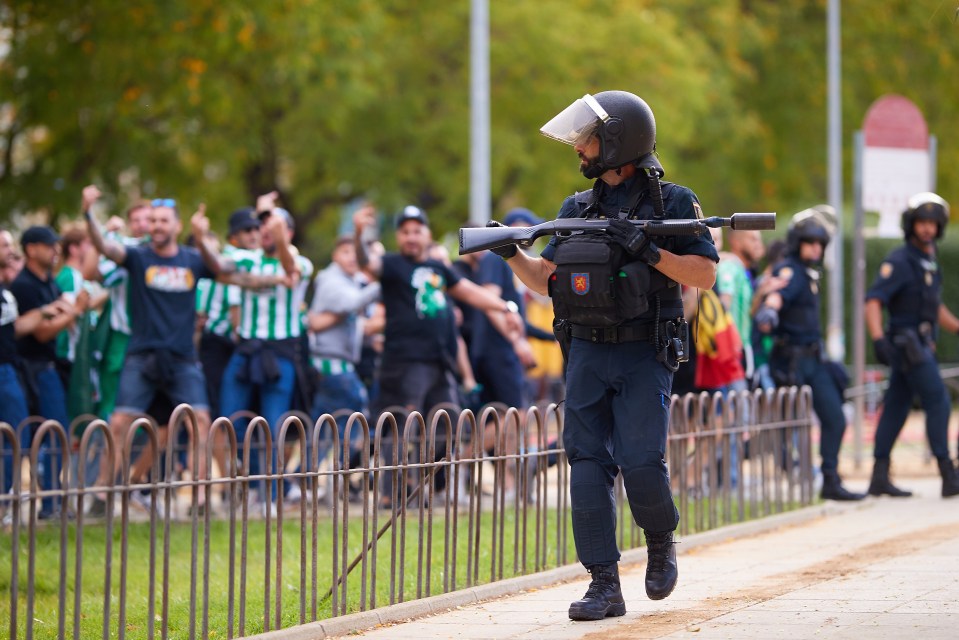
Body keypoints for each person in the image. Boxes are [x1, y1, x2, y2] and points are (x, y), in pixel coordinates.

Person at [491, 90, 718, 619]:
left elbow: (705, 274)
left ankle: (660, 541)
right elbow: (548, 283)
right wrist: (511, 253)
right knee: (587, 467)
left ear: (618, 141)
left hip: (644, 353)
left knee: (641, 464)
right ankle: (603, 585)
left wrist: (649, 250)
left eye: (587, 139)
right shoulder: (578, 207)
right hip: (588, 352)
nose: (579, 149)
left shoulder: (675, 203)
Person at [353, 203, 524, 507]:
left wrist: (505, 308)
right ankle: (390, 494)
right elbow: (367, 264)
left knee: (451, 424)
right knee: (403, 426)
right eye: (405, 232)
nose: (411, 237)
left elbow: (470, 292)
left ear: (427, 234)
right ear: (398, 236)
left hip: (439, 362)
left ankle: (426, 488)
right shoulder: (392, 266)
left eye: (417, 231)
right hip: (404, 363)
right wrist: (358, 233)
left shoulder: (438, 268)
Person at [758, 209, 864, 501]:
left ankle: (829, 478)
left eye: (820, 243)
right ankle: (797, 481)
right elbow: (778, 294)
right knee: (790, 425)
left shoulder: (809, 272)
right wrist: (770, 309)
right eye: (810, 242)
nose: (816, 247)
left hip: (813, 360)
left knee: (835, 418)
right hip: (791, 360)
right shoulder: (789, 269)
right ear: (797, 242)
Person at [865, 192, 959, 498]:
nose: (928, 229)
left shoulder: (928, 260)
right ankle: (948, 473)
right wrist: (878, 338)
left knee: (896, 405)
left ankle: (879, 475)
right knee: (938, 400)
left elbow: (934, 307)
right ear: (911, 225)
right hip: (907, 344)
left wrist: (956, 327)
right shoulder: (900, 260)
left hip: (920, 342)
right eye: (922, 222)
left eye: (933, 223)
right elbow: (874, 301)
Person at [10, 225, 88, 516]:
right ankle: (48, 503)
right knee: (49, 432)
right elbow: (42, 333)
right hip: (34, 367)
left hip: (49, 365)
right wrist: (75, 311)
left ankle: (53, 501)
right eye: (49, 245)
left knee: (57, 433)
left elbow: (58, 319)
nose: (56, 249)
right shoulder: (24, 286)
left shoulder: (48, 283)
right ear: (31, 248)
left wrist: (67, 312)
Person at [307, 235, 382, 470]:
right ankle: (339, 472)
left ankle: (305, 476)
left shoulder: (351, 279)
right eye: (345, 252)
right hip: (332, 363)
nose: (351, 258)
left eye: (354, 253)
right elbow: (352, 304)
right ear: (335, 255)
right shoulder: (331, 280)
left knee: (326, 425)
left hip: (337, 362)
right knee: (351, 415)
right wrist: (385, 282)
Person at [195, 206, 261, 419]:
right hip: (221, 343)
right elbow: (235, 308)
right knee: (222, 409)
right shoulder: (237, 258)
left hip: (232, 344)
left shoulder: (250, 259)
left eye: (256, 229)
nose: (254, 234)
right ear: (233, 238)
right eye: (247, 230)